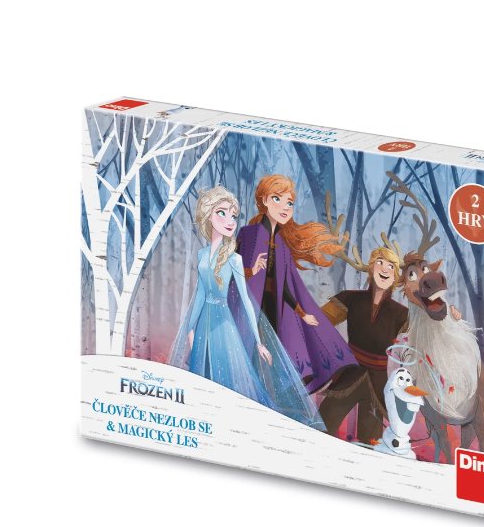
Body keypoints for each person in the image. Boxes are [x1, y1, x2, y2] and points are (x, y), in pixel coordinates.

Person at [170, 186, 321, 427]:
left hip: (223, 324)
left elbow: (247, 301)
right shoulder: (201, 255)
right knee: (201, 377)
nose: (230, 221)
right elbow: (199, 295)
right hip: (202, 326)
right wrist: (190, 328)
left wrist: (259, 342)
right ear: (208, 215)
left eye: (233, 215)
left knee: (225, 377)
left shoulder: (234, 259)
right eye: (222, 213)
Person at [235, 175, 356, 393]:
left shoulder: (282, 244)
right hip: (251, 308)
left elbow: (285, 286)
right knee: (252, 358)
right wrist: (251, 271)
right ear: (264, 200)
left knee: (275, 360)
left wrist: (302, 313)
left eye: (289, 203)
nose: (285, 207)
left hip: (274, 309)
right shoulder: (249, 234)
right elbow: (231, 272)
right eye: (277, 199)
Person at [317, 247, 407, 442]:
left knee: (371, 441)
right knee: (323, 424)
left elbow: (418, 340)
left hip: (378, 384)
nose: (384, 269)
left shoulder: (401, 314)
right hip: (350, 374)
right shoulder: (350, 298)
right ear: (371, 268)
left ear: (395, 275)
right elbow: (319, 320)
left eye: (391, 266)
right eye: (380, 262)